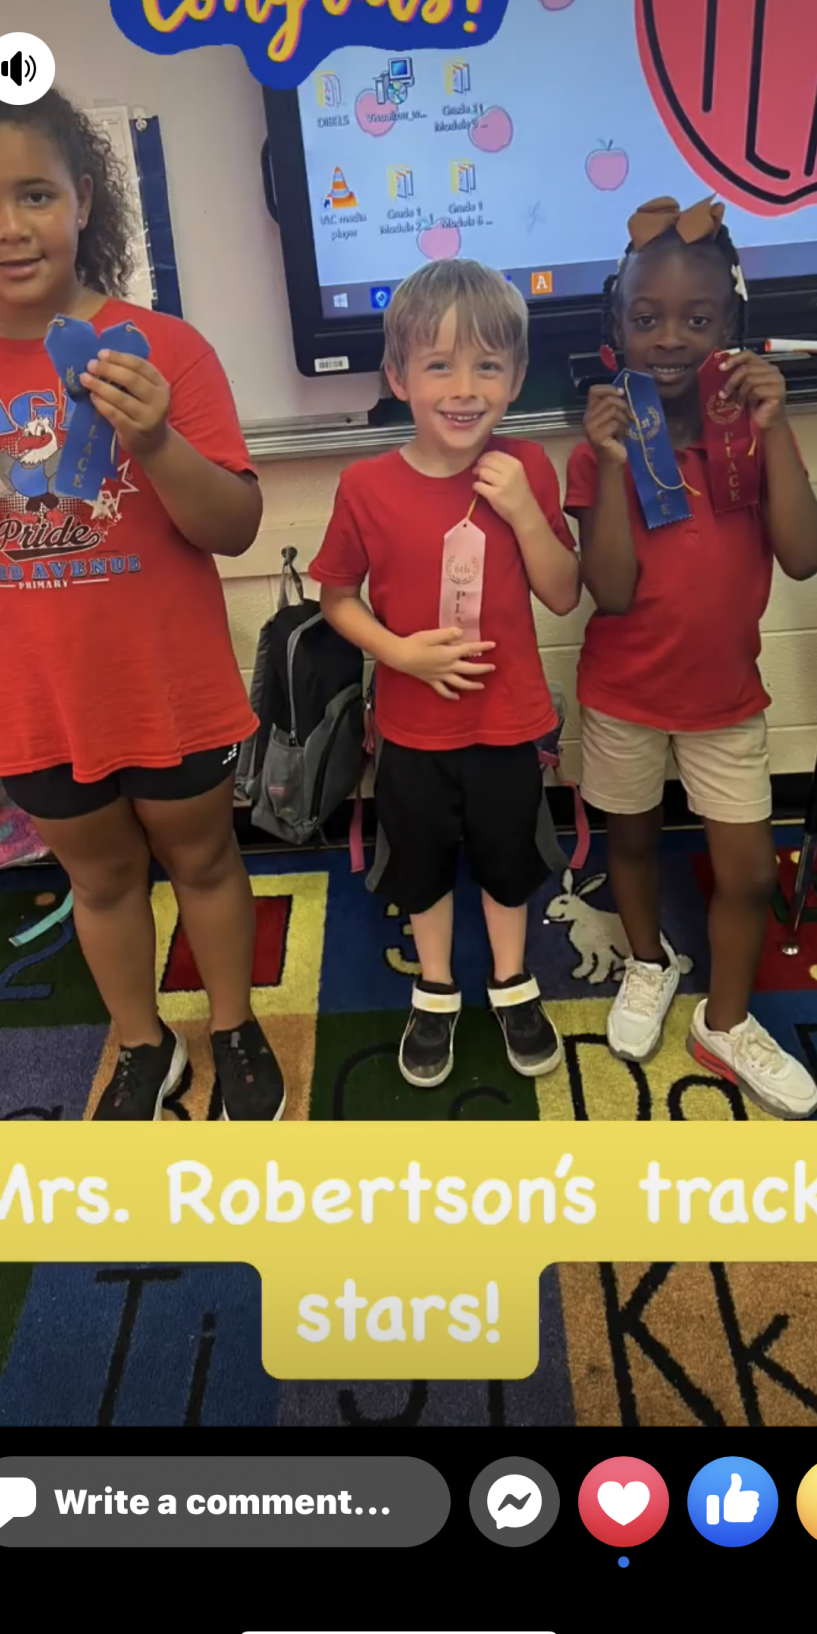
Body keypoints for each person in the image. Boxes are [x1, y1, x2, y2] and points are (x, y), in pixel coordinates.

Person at [0, 70, 284, 1123]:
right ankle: (144, 1042)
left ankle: (233, 1025)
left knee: (204, 859)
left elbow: (232, 526)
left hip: (167, 687)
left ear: (84, 199)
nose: (10, 227)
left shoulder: (165, 349)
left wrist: (155, 439)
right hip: (37, 700)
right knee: (98, 884)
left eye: (35, 194)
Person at [564, 194, 817, 1119]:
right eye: (645, 319)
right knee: (632, 839)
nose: (669, 338)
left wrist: (777, 426)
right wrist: (606, 465)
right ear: (616, 329)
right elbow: (611, 590)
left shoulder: (749, 436)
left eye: (697, 319)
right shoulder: (599, 450)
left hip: (727, 699)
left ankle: (725, 1021)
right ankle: (647, 961)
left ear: (732, 328)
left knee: (749, 872)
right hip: (623, 692)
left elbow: (803, 556)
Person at [309, 260, 580, 1088]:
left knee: (508, 857)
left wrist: (523, 511)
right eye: (438, 365)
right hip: (412, 731)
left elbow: (562, 594)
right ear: (398, 377)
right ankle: (434, 988)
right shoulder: (365, 485)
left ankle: (511, 982)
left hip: (507, 724)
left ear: (516, 377)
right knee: (421, 864)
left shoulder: (527, 469)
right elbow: (336, 598)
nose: (464, 389)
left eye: (487, 366)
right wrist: (397, 653)